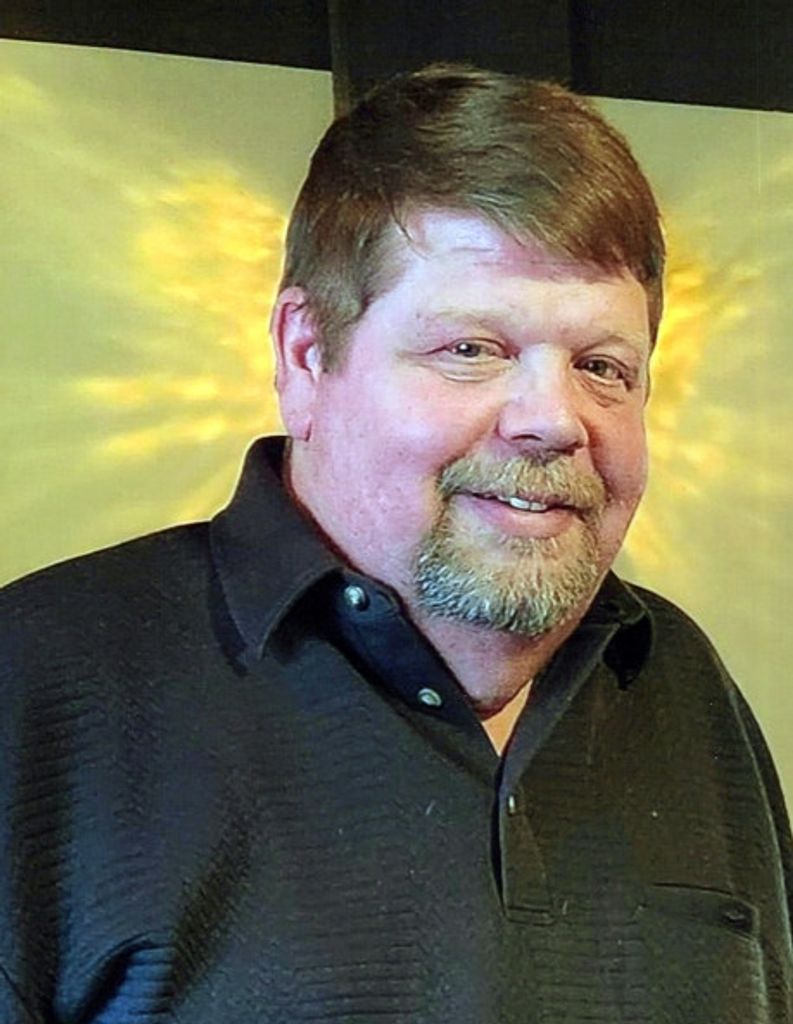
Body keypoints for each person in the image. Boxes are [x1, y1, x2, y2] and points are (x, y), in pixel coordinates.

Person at [1, 64, 790, 1024]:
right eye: (471, 349)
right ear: (304, 354)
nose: (552, 420)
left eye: (601, 366)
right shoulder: (36, 686)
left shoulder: (679, 682)